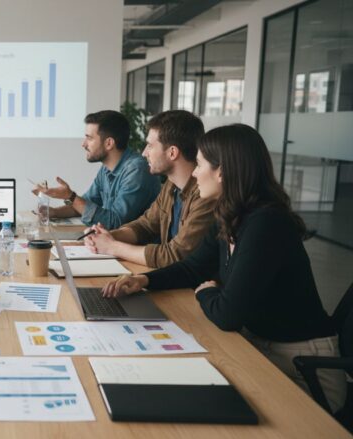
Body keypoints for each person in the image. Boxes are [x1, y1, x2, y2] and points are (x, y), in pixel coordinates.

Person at [102, 124, 346, 411]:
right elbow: (193, 268)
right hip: (259, 345)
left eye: (201, 164)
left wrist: (205, 293)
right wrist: (144, 281)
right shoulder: (230, 215)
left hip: (302, 367)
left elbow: (228, 314)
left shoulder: (266, 223)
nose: (193, 172)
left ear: (222, 171)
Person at [84, 110, 215, 267]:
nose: (144, 152)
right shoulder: (171, 186)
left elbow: (175, 255)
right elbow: (145, 225)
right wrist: (106, 236)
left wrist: (113, 247)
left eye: (150, 146)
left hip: (191, 288)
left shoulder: (205, 195)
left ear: (172, 152)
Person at [35, 110, 160, 228]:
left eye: (89, 138)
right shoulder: (106, 169)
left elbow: (114, 222)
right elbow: (85, 204)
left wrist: (71, 196)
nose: (83, 144)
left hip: (135, 247)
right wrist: (53, 212)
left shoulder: (137, 170)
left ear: (109, 143)